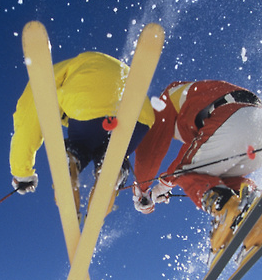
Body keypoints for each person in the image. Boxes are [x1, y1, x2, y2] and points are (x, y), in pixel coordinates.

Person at [132, 79, 262, 254]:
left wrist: (142, 189)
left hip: (233, 120)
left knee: (184, 173)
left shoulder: (165, 100)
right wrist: (162, 187)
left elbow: (151, 150)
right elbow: (191, 152)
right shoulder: (195, 97)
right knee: (220, 179)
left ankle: (226, 209)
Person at [9, 51, 154, 197]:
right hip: (140, 115)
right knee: (111, 152)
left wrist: (21, 172)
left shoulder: (49, 77)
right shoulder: (93, 65)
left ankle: (72, 159)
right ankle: (113, 169)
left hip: (89, 103)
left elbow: (27, 124)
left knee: (80, 145)